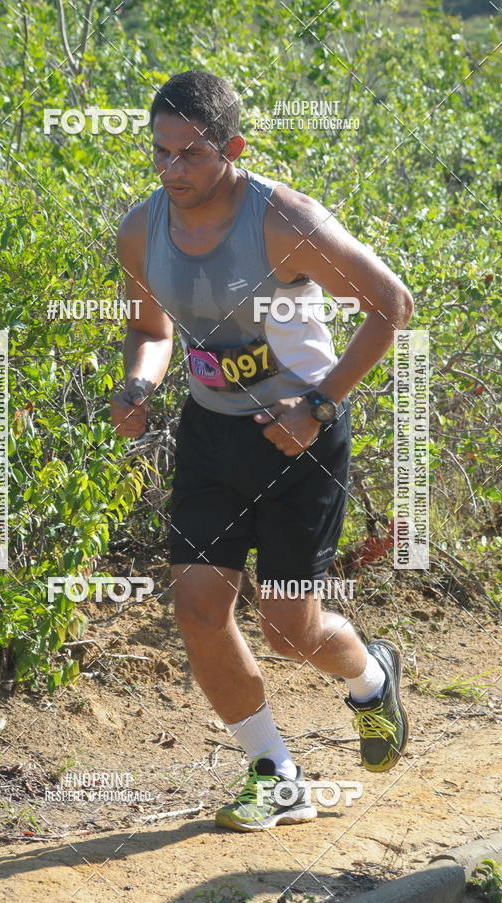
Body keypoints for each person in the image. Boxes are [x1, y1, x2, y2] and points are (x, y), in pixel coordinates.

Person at [110, 70, 412, 832]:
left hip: (299, 441)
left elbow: (391, 305)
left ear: (233, 149)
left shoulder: (284, 221)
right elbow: (151, 329)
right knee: (199, 608)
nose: (173, 170)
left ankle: (372, 678)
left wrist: (317, 404)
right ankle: (276, 772)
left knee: (289, 629)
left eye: (192, 154)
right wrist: (138, 385)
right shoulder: (141, 230)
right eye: (161, 153)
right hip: (213, 435)